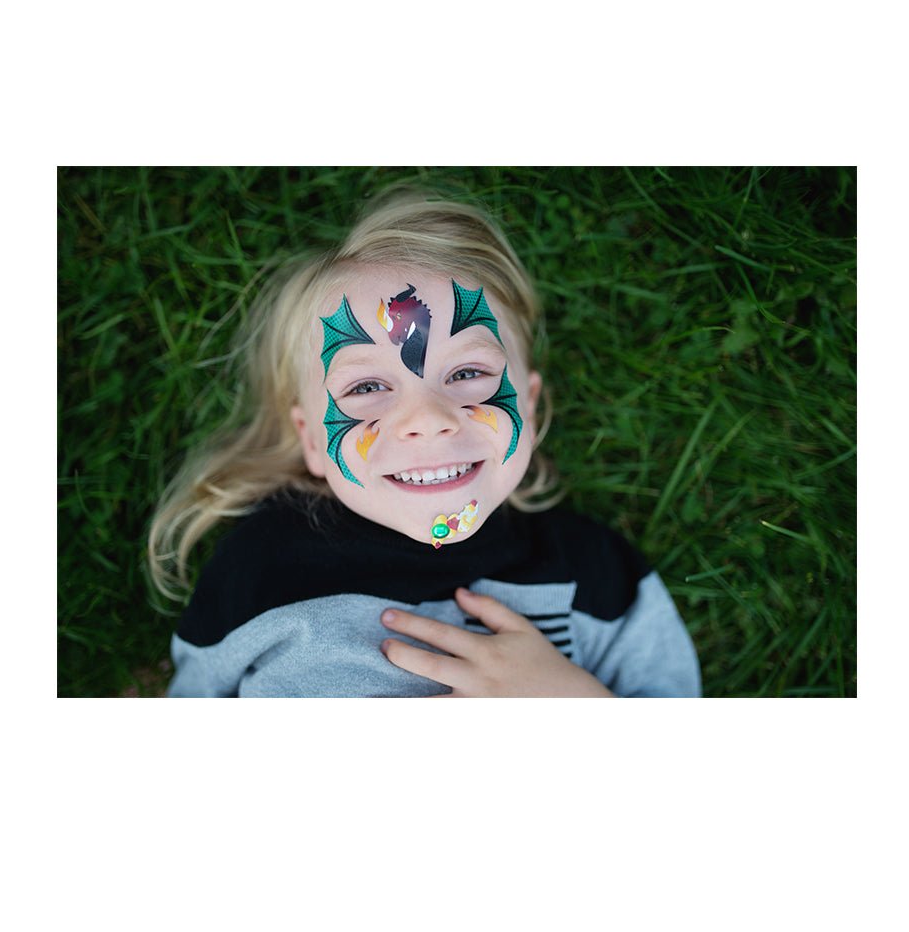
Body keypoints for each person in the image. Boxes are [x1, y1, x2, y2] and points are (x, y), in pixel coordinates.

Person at [149, 189, 701, 697]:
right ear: (311, 440)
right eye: (367, 388)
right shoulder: (258, 569)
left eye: (466, 374)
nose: (428, 419)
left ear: (529, 406)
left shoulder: (593, 571)